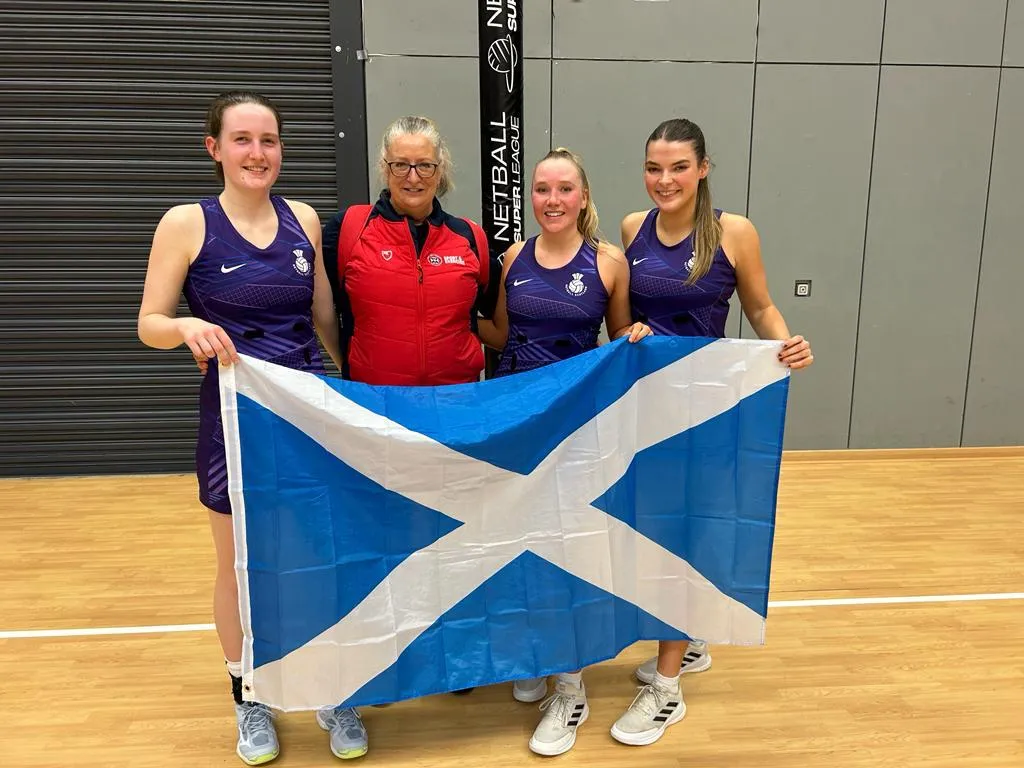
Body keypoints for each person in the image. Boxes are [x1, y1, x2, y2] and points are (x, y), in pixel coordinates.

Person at [136, 91, 367, 765]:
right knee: (237, 564)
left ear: (281, 150)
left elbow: (322, 307)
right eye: (242, 139)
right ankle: (251, 696)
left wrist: (353, 379)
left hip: (305, 415)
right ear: (215, 149)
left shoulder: (302, 219)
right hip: (234, 419)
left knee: (319, 554)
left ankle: (330, 685)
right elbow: (149, 322)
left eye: (268, 140)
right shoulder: (185, 224)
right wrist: (182, 326)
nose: (257, 152)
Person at [608, 117, 814, 748]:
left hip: (704, 411)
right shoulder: (630, 230)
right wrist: (629, 336)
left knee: (683, 535)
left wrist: (786, 345)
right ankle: (688, 640)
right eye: (653, 167)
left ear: (702, 169)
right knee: (650, 528)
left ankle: (667, 690)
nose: (663, 180)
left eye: (676, 167)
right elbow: (621, 326)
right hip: (645, 407)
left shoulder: (734, 232)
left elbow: (758, 305)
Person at [481, 147, 650, 757]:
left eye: (565, 189)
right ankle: (540, 652)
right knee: (524, 545)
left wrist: (638, 339)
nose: (552, 200)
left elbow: (621, 344)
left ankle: (572, 689)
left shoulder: (608, 262)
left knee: (570, 550)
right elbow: (498, 335)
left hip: (581, 429)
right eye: (542, 189)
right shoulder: (511, 259)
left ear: (583, 196)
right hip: (522, 425)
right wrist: (444, 320)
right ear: (531, 196)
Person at [322, 115, 499, 386]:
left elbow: (499, 325)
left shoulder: (470, 238)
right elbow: (320, 312)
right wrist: (349, 368)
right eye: (401, 165)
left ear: (440, 170)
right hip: (376, 409)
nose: (413, 177)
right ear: (385, 167)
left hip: (456, 408)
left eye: (425, 165)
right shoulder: (348, 229)